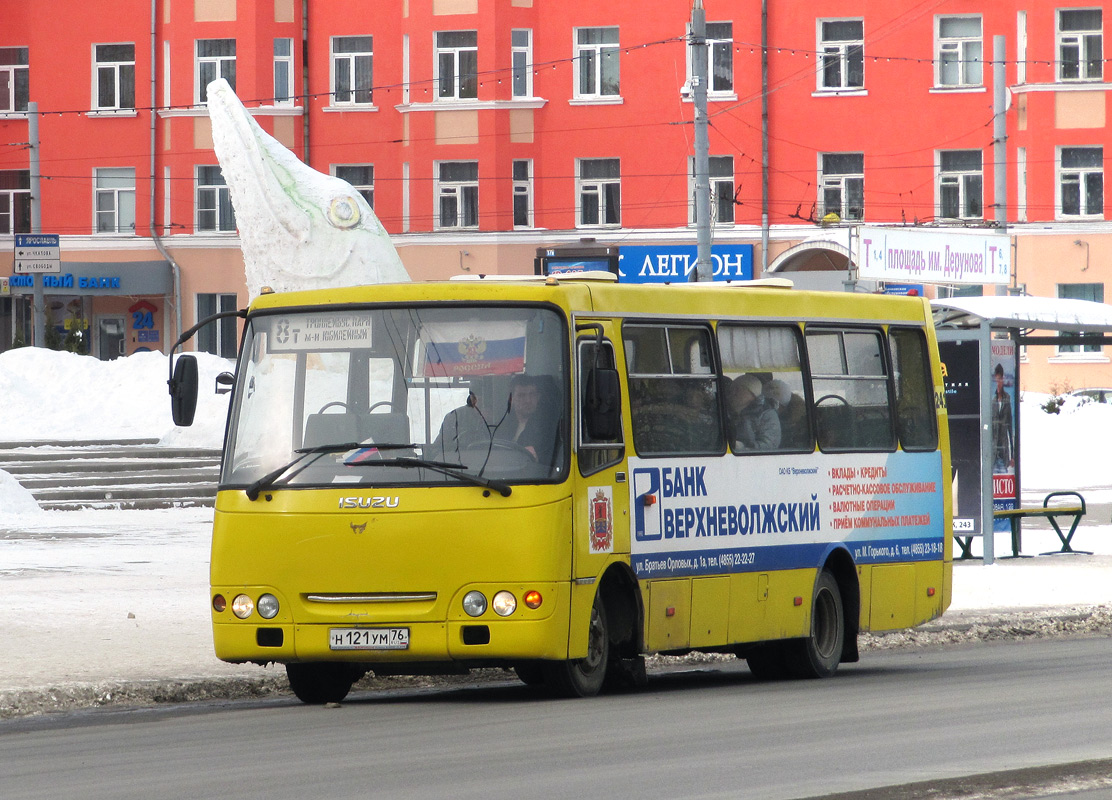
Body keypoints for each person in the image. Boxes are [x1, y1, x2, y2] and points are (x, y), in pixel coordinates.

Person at [494, 374, 558, 463]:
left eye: (532, 394)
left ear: (538, 397)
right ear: (511, 400)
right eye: (521, 395)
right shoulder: (502, 426)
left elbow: (553, 461)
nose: (528, 400)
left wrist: (537, 457)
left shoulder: (548, 429)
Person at [726, 373, 780, 451]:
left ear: (752, 394)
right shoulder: (723, 410)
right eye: (732, 389)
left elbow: (769, 445)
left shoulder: (766, 414)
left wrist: (743, 447)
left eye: (738, 389)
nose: (733, 393)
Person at [430, 391, 491, 459]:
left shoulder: (502, 420)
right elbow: (438, 448)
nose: (481, 403)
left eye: (486, 400)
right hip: (459, 465)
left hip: (495, 464)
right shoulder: (454, 417)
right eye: (477, 398)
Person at [991, 362, 1014, 473]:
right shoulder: (992, 400)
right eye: (996, 380)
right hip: (993, 453)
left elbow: (1010, 428)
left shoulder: (1007, 399)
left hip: (1004, 452)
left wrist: (1012, 456)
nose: (998, 383)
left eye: (1000, 379)